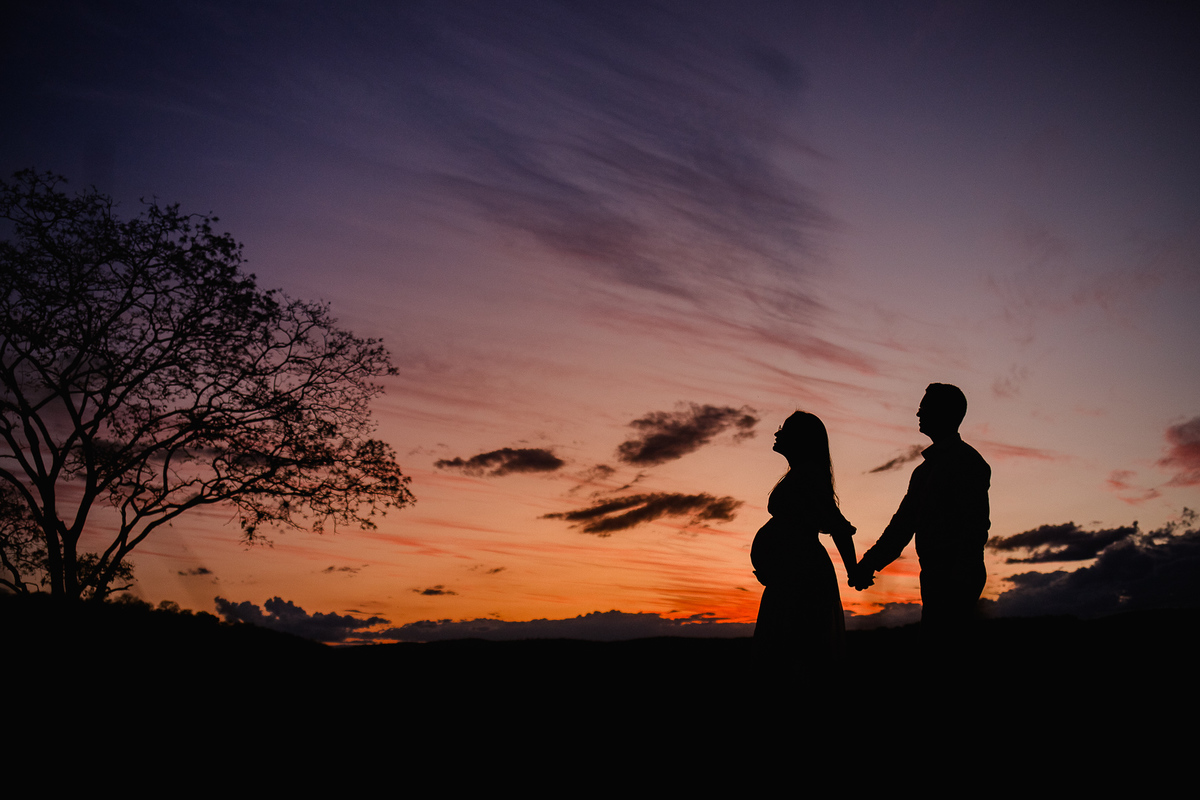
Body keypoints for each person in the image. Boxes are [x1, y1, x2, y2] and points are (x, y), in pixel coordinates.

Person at [855, 384, 991, 636]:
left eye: (924, 407)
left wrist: (960, 574)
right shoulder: (923, 471)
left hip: (956, 576)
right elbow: (902, 524)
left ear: (944, 412)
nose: (918, 413)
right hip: (935, 574)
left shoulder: (968, 462)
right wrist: (870, 563)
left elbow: (975, 525)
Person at [751, 411, 863, 670]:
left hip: (802, 578)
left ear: (801, 439)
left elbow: (838, 527)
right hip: (789, 577)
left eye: (785, 429)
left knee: (796, 655)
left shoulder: (808, 477)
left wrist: (853, 571)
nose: (777, 433)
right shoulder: (800, 475)